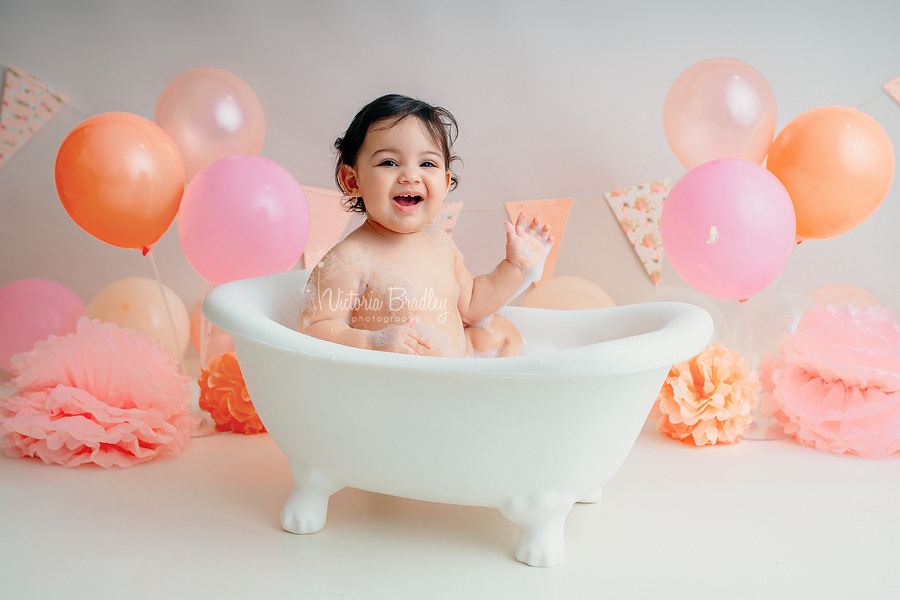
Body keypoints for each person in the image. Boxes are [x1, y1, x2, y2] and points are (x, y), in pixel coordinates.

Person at [298, 94, 553, 357]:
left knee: (501, 329)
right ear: (353, 181)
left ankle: (500, 392)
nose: (410, 176)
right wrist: (374, 341)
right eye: (389, 162)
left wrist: (516, 268)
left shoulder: (441, 243)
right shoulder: (349, 258)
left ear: (444, 184)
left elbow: (471, 305)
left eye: (427, 163)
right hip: (395, 383)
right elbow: (313, 329)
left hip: (453, 375)